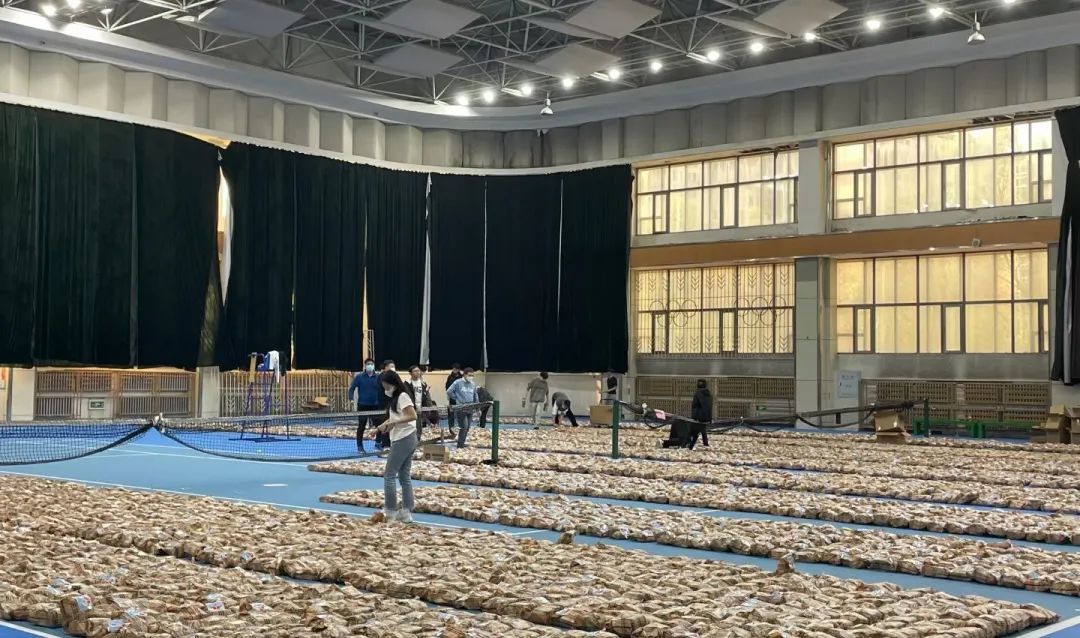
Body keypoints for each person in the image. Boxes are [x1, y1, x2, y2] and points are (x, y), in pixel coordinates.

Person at [374, 370, 418, 523]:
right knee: (404, 476)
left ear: (393, 383)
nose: (385, 388)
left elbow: (412, 415)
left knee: (389, 475)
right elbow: (397, 418)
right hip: (406, 437)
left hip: (404, 438)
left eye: (386, 385)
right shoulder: (395, 399)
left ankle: (390, 510)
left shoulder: (403, 396)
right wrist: (382, 426)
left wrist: (393, 422)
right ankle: (406, 511)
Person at [347, 359, 380, 454]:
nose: (370, 366)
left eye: (371, 364)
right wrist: (351, 399)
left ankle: (378, 443)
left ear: (374, 366)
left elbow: (383, 389)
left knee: (379, 426)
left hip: (375, 406)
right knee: (361, 426)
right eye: (368, 364)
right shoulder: (359, 377)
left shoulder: (378, 377)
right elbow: (352, 388)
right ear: (365, 366)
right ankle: (360, 446)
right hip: (362, 405)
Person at [447, 368, 478, 447]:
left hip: (470, 408)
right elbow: (449, 391)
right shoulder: (457, 382)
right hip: (461, 408)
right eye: (469, 375)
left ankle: (462, 442)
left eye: (472, 375)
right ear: (464, 374)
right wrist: (457, 398)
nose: (471, 377)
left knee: (467, 427)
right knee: (464, 426)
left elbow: (475, 396)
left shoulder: (473, 384)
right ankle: (460, 445)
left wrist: (478, 408)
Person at [408, 365, 436, 438]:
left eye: (418, 371)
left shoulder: (423, 384)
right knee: (411, 427)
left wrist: (429, 406)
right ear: (410, 373)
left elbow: (427, 395)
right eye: (415, 371)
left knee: (419, 427)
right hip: (411, 409)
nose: (418, 372)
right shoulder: (407, 384)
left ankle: (418, 440)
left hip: (421, 409)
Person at [688, 379, 712, 450]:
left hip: (699, 417)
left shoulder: (697, 393)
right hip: (707, 417)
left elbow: (695, 406)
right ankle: (705, 444)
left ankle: (690, 446)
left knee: (695, 430)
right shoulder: (709, 394)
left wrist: (694, 417)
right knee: (702, 430)